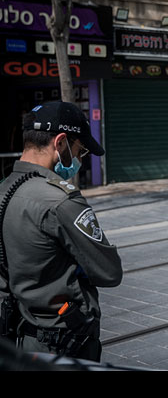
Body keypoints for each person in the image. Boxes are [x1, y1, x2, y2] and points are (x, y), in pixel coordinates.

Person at [0, 101, 123, 362]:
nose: (79, 159)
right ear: (60, 143)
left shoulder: (4, 189)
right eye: (80, 150)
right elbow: (109, 272)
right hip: (63, 340)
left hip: (18, 333)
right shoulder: (61, 201)